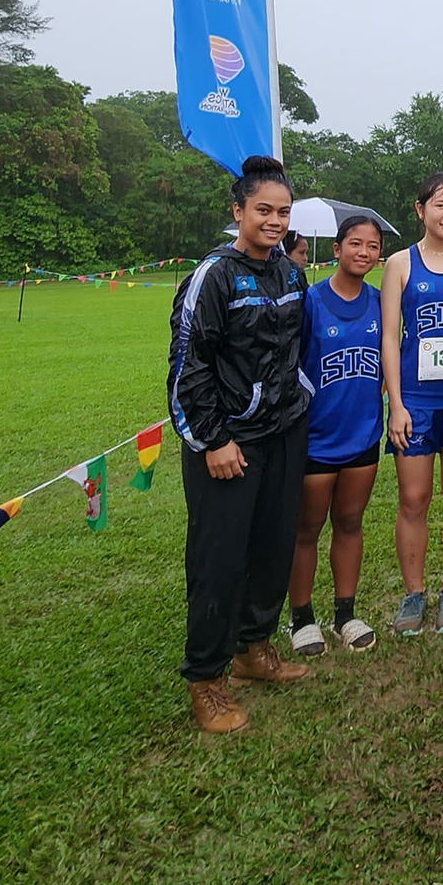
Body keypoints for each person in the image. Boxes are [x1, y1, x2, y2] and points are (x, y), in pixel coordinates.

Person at [168, 155, 311, 735]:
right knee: (219, 560)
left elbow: (296, 350)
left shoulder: (289, 272)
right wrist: (214, 439)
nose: (274, 221)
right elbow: (188, 365)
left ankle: (255, 649)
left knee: (274, 546)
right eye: (263, 210)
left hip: (284, 433)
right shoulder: (214, 276)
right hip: (227, 444)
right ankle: (206, 679)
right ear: (238, 212)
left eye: (282, 211)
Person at [381, 173, 443, 637]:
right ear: (420, 210)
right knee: (414, 498)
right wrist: (396, 404)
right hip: (415, 401)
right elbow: (388, 338)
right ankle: (414, 592)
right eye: (441, 205)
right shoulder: (400, 264)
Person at [287, 215, 384, 656]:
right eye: (355, 244)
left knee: (349, 523)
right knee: (306, 529)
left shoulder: (382, 302)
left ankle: (345, 613)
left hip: (362, 435)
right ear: (337, 249)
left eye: (372, 246)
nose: (364, 253)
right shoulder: (310, 301)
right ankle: (301, 618)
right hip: (315, 438)